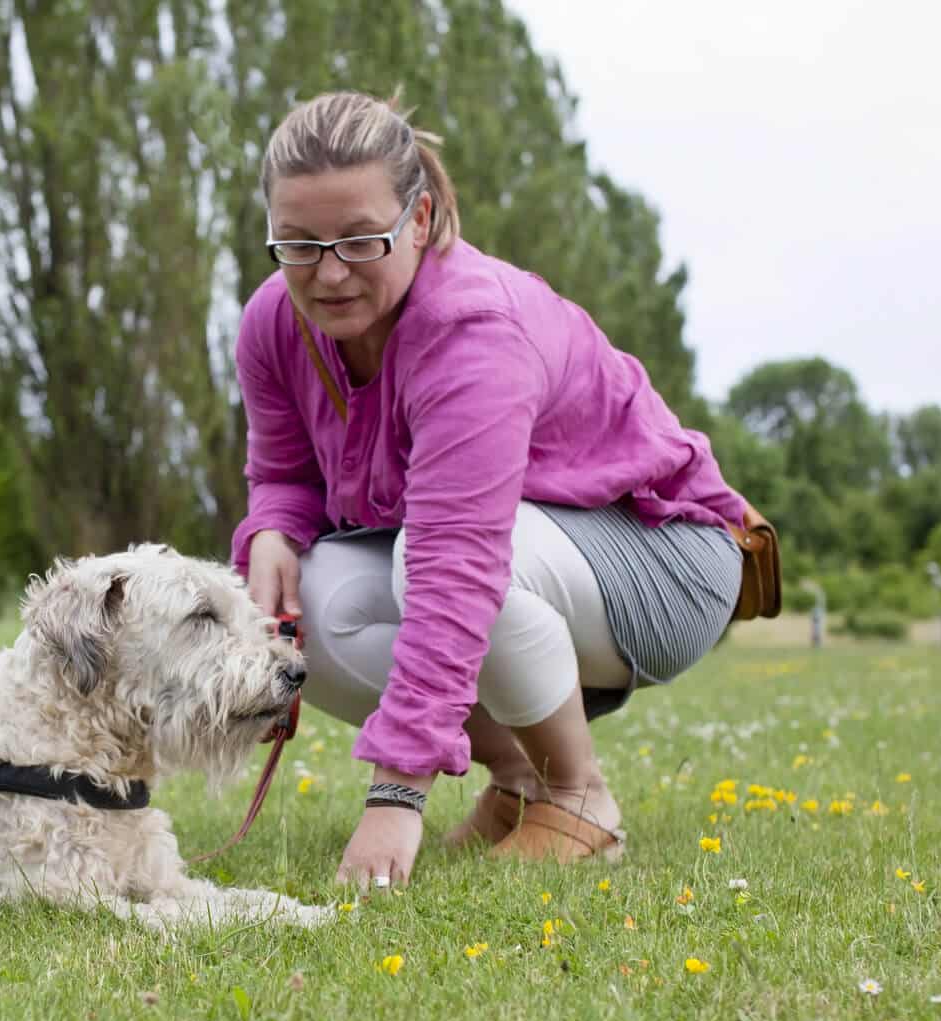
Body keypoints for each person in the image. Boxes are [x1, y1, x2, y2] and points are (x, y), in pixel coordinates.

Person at [231, 90, 750, 890]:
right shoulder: (274, 322)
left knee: (425, 563)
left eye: (360, 240)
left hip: (665, 557)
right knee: (318, 605)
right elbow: (285, 473)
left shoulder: (473, 333)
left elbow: (457, 560)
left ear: (421, 217)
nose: (328, 273)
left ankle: (580, 800)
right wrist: (271, 529)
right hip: (518, 556)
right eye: (298, 245)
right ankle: (520, 786)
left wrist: (398, 790)